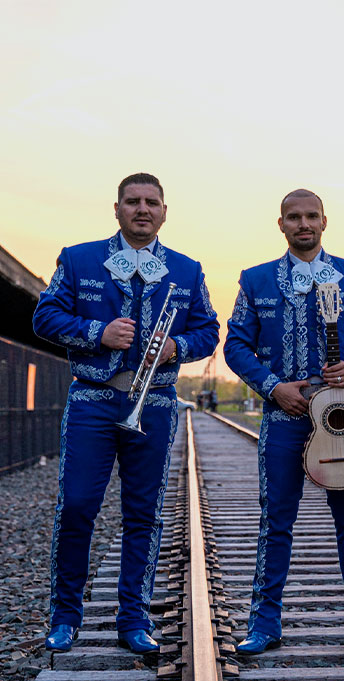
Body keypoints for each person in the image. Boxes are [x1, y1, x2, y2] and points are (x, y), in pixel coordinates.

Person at [33, 173, 220, 654]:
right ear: (116, 208)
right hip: (92, 399)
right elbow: (45, 317)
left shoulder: (187, 269)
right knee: (76, 506)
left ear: (164, 211)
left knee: (144, 513)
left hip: (153, 404)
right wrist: (97, 332)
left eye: (151, 202)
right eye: (132, 201)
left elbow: (208, 330)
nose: (143, 209)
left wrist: (177, 345)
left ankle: (132, 619)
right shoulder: (78, 258)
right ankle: (65, 616)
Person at [224, 189, 344, 655]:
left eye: (311, 216)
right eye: (294, 217)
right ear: (280, 224)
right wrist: (271, 385)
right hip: (284, 416)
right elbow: (235, 344)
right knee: (276, 521)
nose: (304, 223)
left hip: (341, 418)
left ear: (324, 221)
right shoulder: (255, 280)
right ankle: (264, 623)